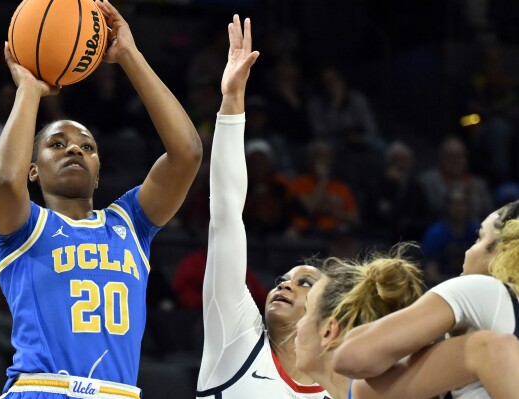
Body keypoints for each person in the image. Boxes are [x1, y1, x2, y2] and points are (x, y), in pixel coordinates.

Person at [0, 0, 202, 397]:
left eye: (87, 147)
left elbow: (187, 153)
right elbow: (4, 181)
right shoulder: (24, 227)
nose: (74, 150)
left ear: (99, 170)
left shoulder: (131, 224)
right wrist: (30, 90)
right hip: (42, 388)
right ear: (32, 169)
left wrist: (129, 56)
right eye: (57, 144)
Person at [196, 15, 330, 398]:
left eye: (305, 283)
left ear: (330, 321)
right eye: (285, 279)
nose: (285, 283)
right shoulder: (236, 338)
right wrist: (232, 101)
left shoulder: (341, 389)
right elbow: (225, 216)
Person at [332, 199, 519, 398]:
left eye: (479, 238)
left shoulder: (485, 288)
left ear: (504, 250)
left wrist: (420, 349)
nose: (467, 250)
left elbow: (352, 357)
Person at [295, 262, 519, 398]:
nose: (297, 324)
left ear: (329, 332)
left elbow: (490, 349)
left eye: (306, 310)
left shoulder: (373, 391)